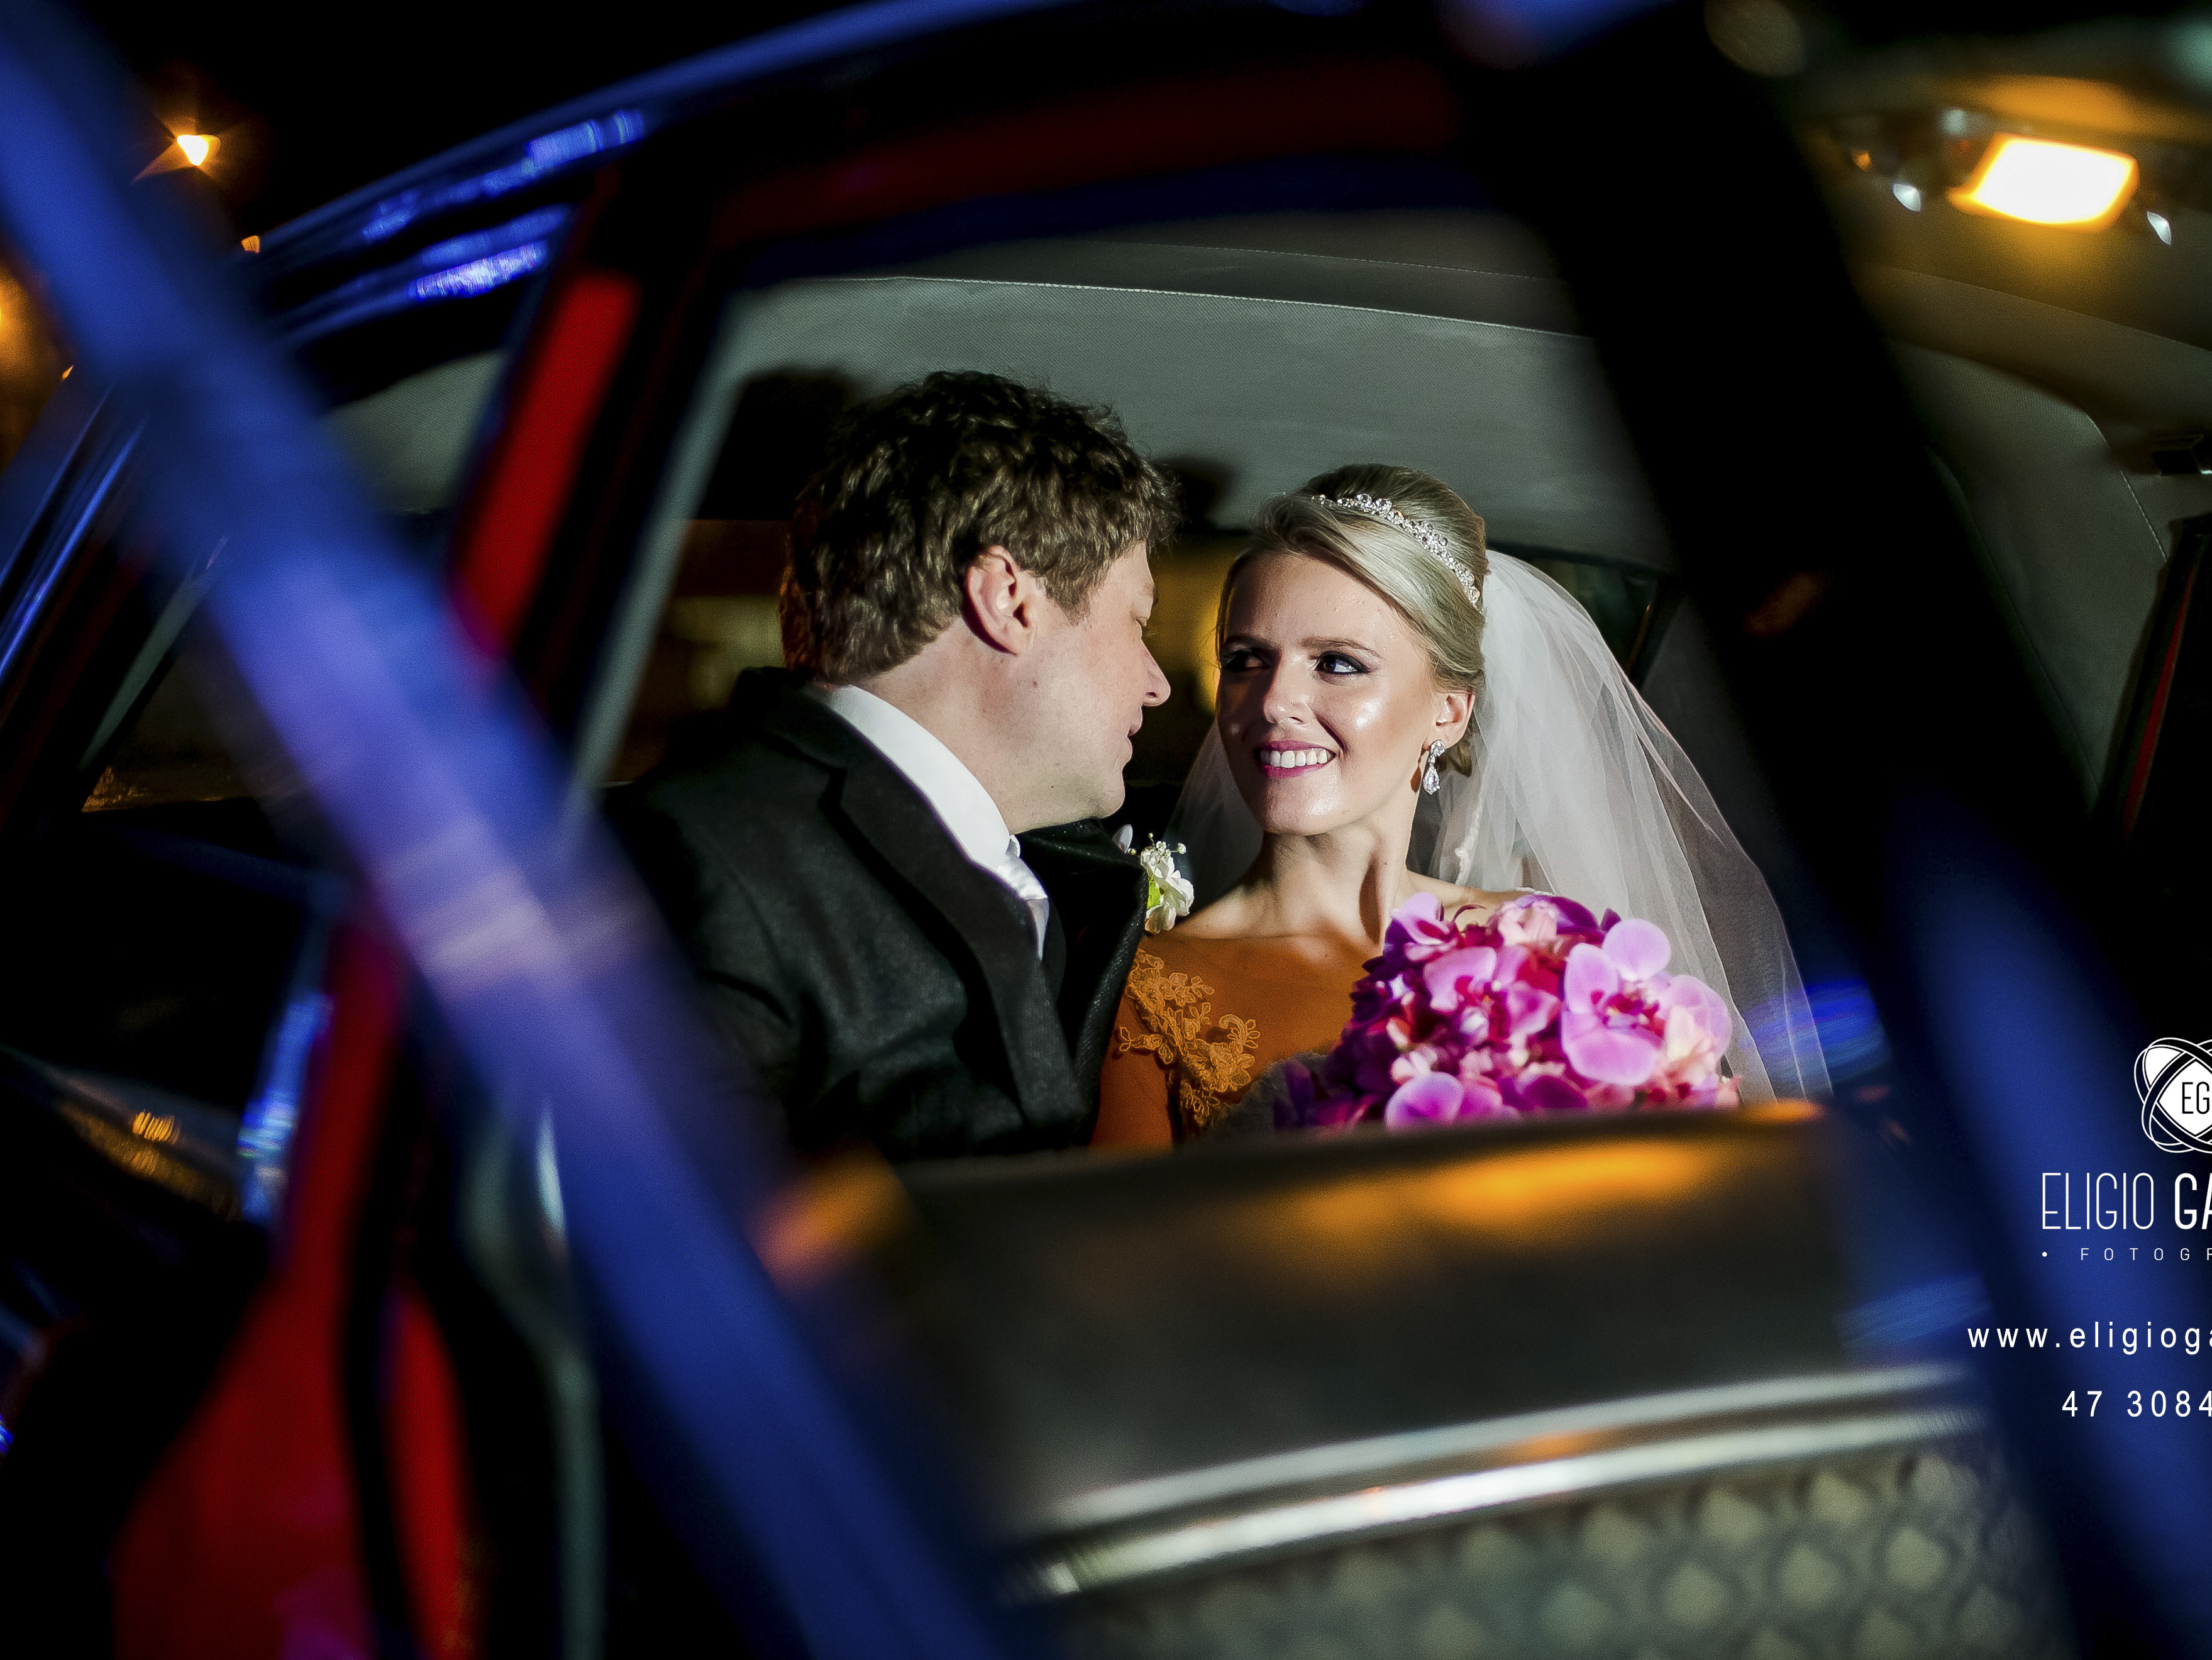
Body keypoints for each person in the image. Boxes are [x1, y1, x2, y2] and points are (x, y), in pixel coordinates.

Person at [1093, 464, 1827, 1146]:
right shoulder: (1147, 988)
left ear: (1449, 711)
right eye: (1246, 659)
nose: (1273, 701)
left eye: (1338, 663)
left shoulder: (1552, 953)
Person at [615, 370, 1173, 1159]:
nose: (1158, 683)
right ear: (1009, 600)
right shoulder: (697, 858)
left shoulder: (1054, 867)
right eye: (1138, 622)